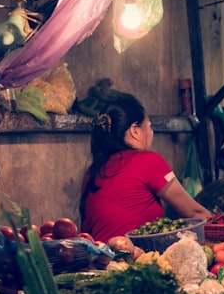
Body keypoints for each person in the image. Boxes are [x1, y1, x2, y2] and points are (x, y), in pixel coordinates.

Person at [79, 94, 211, 242]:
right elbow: (194, 212)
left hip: (99, 261)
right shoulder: (147, 160)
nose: (151, 132)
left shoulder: (92, 171)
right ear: (136, 131)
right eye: (149, 125)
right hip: (135, 261)